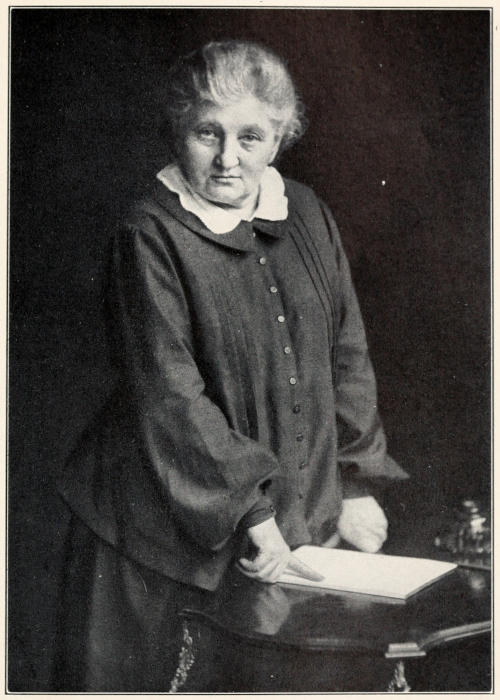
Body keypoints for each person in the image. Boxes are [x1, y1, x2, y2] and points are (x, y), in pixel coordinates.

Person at [54, 39, 408, 692]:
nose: (227, 158)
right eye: (206, 133)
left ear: (279, 138)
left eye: (250, 136)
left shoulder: (307, 213)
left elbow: (346, 352)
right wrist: (251, 512)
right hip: (156, 538)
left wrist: (355, 480)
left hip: (276, 527)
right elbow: (171, 396)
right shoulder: (147, 234)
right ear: (178, 132)